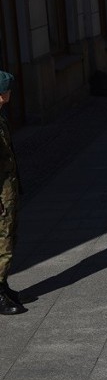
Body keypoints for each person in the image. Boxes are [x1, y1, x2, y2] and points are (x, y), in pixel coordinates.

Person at [0, 71, 24, 315]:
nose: (5, 98)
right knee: (3, 241)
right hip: (0, 193)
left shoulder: (1, 116)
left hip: (9, 188)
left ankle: (4, 285)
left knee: (10, 237)